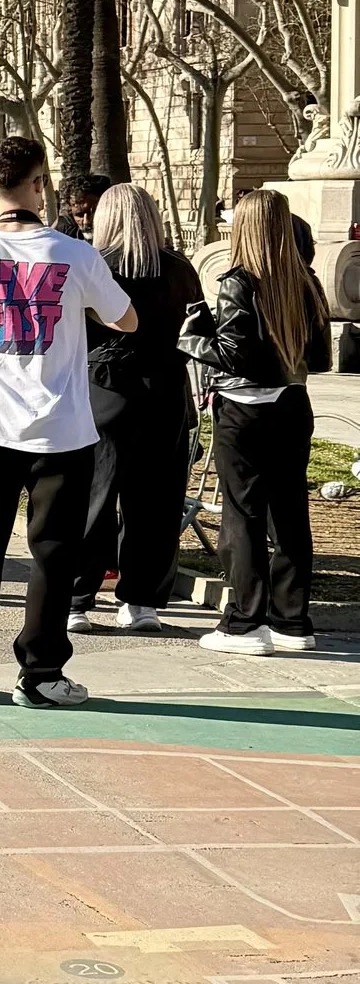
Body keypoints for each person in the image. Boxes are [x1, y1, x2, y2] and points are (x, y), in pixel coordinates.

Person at [0, 130, 136, 706]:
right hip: (62, 428)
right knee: (54, 552)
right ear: (40, 186)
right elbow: (127, 320)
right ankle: (41, 675)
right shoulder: (77, 255)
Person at [184, 186, 330, 657]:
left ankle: (246, 623)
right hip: (292, 403)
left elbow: (234, 356)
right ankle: (293, 620)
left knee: (242, 515)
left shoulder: (238, 281)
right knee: (289, 512)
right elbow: (321, 359)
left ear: (244, 228)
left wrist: (191, 336)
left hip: (243, 410)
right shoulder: (304, 280)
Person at [76, 181, 203, 633]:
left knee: (93, 493)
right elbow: (196, 330)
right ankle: (141, 599)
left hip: (104, 387)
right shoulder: (179, 269)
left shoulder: (95, 265)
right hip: (165, 388)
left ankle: (78, 594)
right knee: (156, 500)